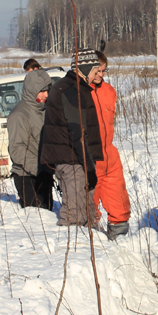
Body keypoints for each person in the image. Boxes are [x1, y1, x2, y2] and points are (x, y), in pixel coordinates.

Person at [40, 48, 105, 227]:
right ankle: (76, 250)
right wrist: (89, 167)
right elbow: (78, 132)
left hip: (74, 158)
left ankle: (90, 246)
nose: (95, 76)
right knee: (75, 213)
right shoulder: (71, 91)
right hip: (72, 160)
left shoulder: (72, 87)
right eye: (94, 72)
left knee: (86, 209)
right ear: (83, 70)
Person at [90, 49, 131, 239]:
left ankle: (120, 240)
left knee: (119, 204)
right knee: (89, 207)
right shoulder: (78, 92)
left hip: (109, 154)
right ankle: (92, 242)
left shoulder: (109, 91)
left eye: (104, 71)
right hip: (89, 157)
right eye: (97, 71)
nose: (101, 75)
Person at [6, 68, 54, 209]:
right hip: (26, 177)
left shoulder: (44, 110)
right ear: (32, 90)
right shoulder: (19, 115)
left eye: (48, 91)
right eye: (42, 91)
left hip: (43, 175)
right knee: (36, 221)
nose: (46, 95)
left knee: (47, 217)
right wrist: (39, 167)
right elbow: (16, 149)